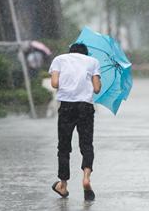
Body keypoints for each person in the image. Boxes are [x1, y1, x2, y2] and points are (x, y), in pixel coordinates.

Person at [49, 43, 101, 201]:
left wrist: (67, 81)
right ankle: (86, 179)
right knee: (86, 144)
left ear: (70, 51)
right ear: (85, 53)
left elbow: (55, 83)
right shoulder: (93, 62)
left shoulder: (59, 59)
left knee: (64, 147)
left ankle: (63, 185)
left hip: (66, 107)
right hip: (85, 107)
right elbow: (97, 88)